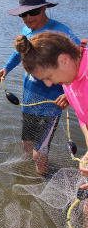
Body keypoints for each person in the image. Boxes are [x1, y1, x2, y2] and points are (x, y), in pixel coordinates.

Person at [0, 0, 80, 175]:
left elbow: (80, 64)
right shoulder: (27, 30)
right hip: (29, 101)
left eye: (33, 11)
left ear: (44, 9)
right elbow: (19, 53)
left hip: (51, 104)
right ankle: (33, 174)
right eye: (24, 13)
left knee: (38, 154)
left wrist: (68, 94)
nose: (28, 17)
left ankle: (42, 182)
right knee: (27, 145)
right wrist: (6, 68)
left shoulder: (61, 32)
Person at [14, 32, 88, 187]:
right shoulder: (68, 81)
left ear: (63, 60)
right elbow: (84, 118)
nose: (49, 85)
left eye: (47, 77)